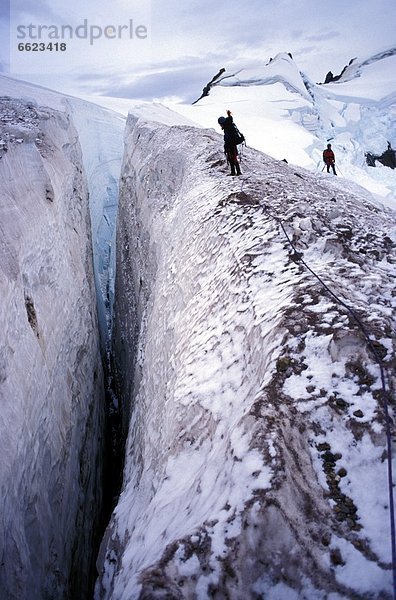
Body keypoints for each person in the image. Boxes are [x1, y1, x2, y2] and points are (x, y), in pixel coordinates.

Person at [218, 110, 242, 176]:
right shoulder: (229, 126)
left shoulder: (227, 128)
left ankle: (235, 172)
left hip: (230, 145)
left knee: (232, 158)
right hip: (232, 144)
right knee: (233, 157)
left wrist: (226, 145)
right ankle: (236, 171)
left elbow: (228, 138)